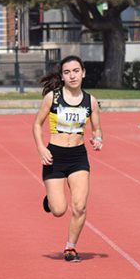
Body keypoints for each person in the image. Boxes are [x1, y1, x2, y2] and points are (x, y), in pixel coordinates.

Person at [32, 55, 103, 263]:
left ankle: (70, 247)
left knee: (80, 206)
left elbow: (97, 128)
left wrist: (98, 139)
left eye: (75, 71)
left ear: (83, 73)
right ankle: (50, 199)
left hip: (78, 157)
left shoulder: (91, 101)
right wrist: (40, 149)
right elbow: (37, 124)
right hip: (54, 156)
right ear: (62, 76)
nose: (72, 76)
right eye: (67, 72)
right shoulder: (52, 98)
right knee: (59, 210)